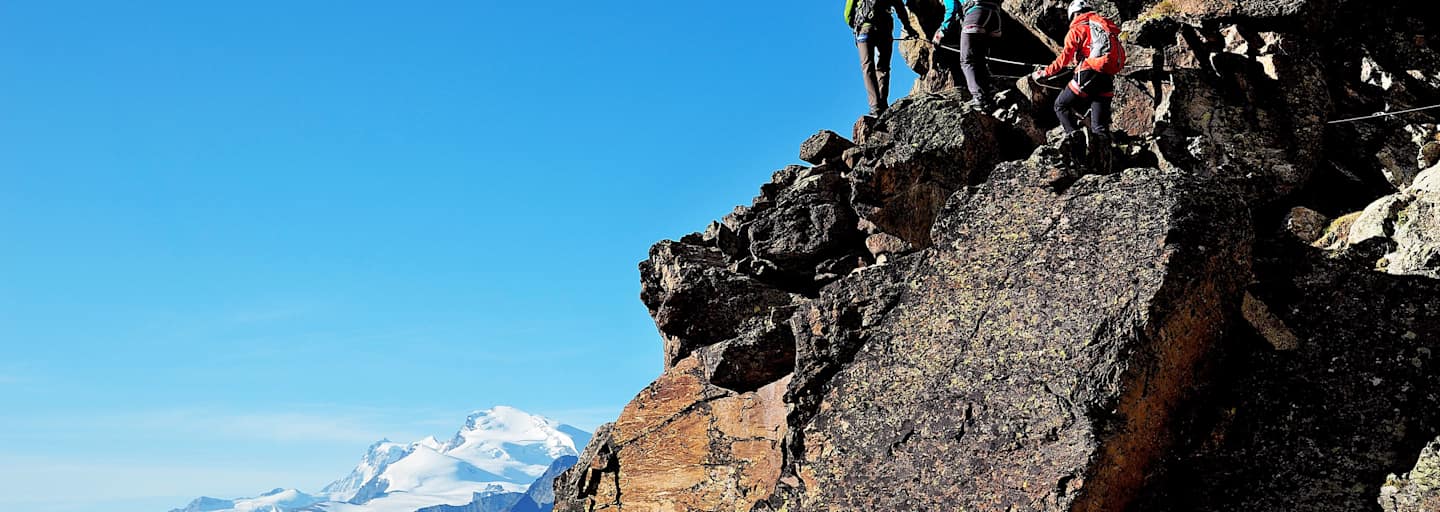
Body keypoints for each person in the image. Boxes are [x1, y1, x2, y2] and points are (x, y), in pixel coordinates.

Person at [1030, 0, 1126, 168]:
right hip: (1107, 77)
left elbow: (1063, 59)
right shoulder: (1104, 26)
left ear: (1073, 14)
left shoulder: (1077, 29)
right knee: (1099, 126)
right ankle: (1104, 167)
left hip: (1087, 73)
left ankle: (1075, 138)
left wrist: (1044, 73)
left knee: (1061, 105)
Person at [845, 0, 920, 117]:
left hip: (865, 28)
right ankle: (883, 102)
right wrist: (909, 28)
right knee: (883, 67)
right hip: (885, 29)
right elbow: (900, 8)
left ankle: (875, 106)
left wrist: (856, 25)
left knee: (867, 66)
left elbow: (848, 14)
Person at [934, 1, 1004, 110]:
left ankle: (979, 98)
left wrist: (941, 31)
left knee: (968, 61)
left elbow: (951, 9)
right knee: (980, 59)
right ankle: (988, 95)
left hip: (975, 16)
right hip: (995, 17)